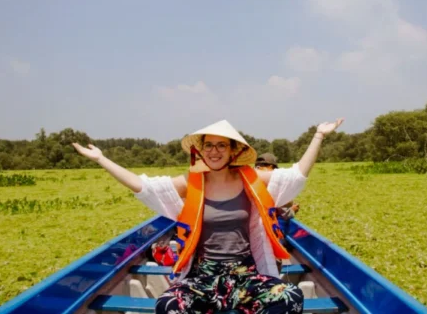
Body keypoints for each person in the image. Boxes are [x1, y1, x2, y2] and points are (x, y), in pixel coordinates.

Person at [72, 117, 343, 314]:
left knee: (291, 297)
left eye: (221, 146)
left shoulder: (252, 178)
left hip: (246, 273)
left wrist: (318, 136)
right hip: (203, 276)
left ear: (232, 151)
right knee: (167, 305)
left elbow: (295, 176)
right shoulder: (191, 183)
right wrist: (101, 159)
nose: (214, 151)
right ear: (200, 151)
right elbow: (144, 186)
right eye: (209, 146)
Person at [255, 153, 300, 221]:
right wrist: (293, 210)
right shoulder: (273, 184)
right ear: (270, 167)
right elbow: (285, 215)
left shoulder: (250, 180)